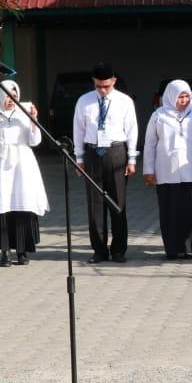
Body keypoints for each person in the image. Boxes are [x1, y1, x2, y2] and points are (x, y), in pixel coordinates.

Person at [0, 80, 48, 267]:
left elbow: (35, 141)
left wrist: (33, 120)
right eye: (7, 95)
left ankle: (22, 251)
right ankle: (5, 251)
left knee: (22, 206)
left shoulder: (23, 114)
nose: (10, 99)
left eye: (14, 96)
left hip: (22, 168)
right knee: (2, 208)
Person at [73, 62, 138, 264]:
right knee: (95, 206)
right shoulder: (84, 101)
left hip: (117, 151)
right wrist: (79, 158)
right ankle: (99, 250)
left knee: (117, 203)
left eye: (106, 86)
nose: (102, 90)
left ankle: (118, 250)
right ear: (93, 82)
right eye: (99, 86)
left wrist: (132, 158)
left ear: (114, 82)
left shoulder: (124, 101)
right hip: (93, 153)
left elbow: (132, 130)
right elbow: (78, 130)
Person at [143, 79, 192, 260]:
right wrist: (148, 170)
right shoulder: (158, 115)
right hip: (166, 172)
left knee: (191, 210)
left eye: (186, 96)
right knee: (170, 211)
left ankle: (190, 247)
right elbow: (150, 144)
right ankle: (172, 248)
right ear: (170, 97)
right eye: (179, 97)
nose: (183, 100)